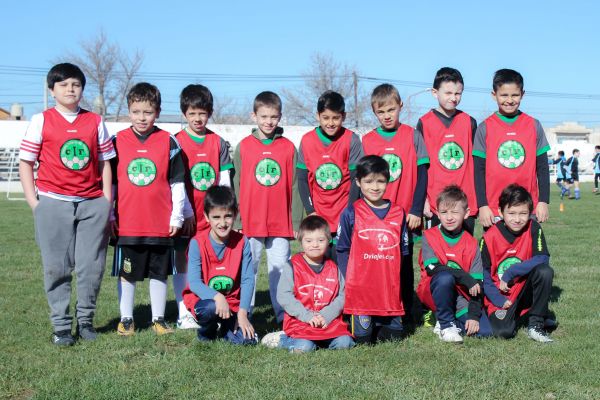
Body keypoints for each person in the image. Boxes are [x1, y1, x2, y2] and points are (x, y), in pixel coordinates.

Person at [19, 63, 114, 346]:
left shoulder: (95, 121)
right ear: (52, 90)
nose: (70, 89)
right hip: (53, 202)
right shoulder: (41, 120)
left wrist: (106, 200)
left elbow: (104, 162)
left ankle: (85, 321)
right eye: (63, 85)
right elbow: (26, 163)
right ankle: (61, 327)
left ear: (82, 89)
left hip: (91, 203)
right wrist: (34, 202)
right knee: (56, 267)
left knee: (91, 267)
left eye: (75, 84)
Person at [111, 82, 190, 336]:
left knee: (160, 272)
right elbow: (110, 183)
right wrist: (110, 214)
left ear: (157, 111)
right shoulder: (117, 142)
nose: (141, 117)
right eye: (136, 111)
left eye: (147, 112)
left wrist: (177, 215)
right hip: (128, 223)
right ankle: (126, 318)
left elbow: (177, 183)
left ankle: (158, 318)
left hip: (160, 223)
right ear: (128, 111)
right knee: (128, 273)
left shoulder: (168, 142)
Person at [233, 91, 303, 323]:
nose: (268, 121)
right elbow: (237, 185)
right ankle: (246, 314)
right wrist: (238, 220)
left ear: (280, 116)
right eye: (263, 116)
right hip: (251, 221)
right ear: (254, 116)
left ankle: (283, 315)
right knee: (248, 269)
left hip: (280, 222)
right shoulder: (243, 147)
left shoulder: (288, 148)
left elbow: (295, 186)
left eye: (273, 116)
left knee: (281, 270)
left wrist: (295, 222)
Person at [362, 83, 429, 323]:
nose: (387, 116)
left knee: (404, 261)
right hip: (378, 215)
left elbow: (423, 173)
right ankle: (381, 307)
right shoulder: (368, 140)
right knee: (379, 263)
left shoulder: (413, 135)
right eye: (381, 112)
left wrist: (416, 208)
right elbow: (364, 181)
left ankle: (406, 309)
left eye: (391, 109)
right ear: (374, 112)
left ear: (400, 106)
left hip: (406, 214)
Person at [173, 84, 234, 329]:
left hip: (211, 218)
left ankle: (206, 309)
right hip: (187, 216)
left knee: (207, 264)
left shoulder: (218, 143)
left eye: (203, 113)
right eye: (192, 113)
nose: (198, 118)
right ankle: (182, 311)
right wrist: (183, 213)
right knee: (182, 262)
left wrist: (222, 214)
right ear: (184, 113)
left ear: (209, 113)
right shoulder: (176, 142)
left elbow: (224, 182)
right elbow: (175, 182)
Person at [337, 155, 409, 344]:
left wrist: (399, 283)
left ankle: (385, 320)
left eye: (380, 181)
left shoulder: (398, 212)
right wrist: (349, 279)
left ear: (388, 181)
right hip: (360, 291)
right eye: (368, 181)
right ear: (358, 182)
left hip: (388, 290)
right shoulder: (351, 212)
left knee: (393, 339)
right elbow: (342, 249)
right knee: (363, 340)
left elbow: (404, 252)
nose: (375, 187)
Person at [261, 215, 354, 352]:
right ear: (300, 241)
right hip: (301, 322)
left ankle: (318, 342)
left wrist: (327, 315)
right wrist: (306, 315)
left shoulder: (333, 268)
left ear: (329, 240)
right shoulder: (292, 266)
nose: (315, 245)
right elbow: (284, 296)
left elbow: (343, 296)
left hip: (327, 322)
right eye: (309, 241)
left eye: (320, 240)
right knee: (304, 347)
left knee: (345, 342)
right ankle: (282, 339)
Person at [473, 69, 551, 228]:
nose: (509, 100)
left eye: (514, 95)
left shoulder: (533, 125)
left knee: (527, 252)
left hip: (527, 209)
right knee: (494, 252)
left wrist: (543, 201)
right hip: (494, 210)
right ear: (494, 95)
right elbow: (478, 171)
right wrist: (482, 205)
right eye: (504, 95)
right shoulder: (484, 128)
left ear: (522, 94)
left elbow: (542, 167)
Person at [416, 185, 492, 343]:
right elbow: (432, 268)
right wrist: (464, 276)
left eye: (455, 212)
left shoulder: (471, 243)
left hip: (459, 296)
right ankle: (446, 324)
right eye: (444, 212)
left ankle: (443, 320)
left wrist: (473, 315)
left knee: (485, 331)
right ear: (437, 213)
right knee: (444, 277)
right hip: (433, 290)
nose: (449, 217)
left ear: (467, 213)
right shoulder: (429, 236)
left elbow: (477, 283)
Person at [481, 184, 556, 343]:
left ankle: (536, 323)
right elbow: (484, 277)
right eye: (511, 213)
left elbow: (543, 258)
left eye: (523, 213)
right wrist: (498, 300)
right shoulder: (489, 237)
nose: (517, 219)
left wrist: (511, 272)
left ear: (530, 213)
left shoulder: (534, 227)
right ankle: (525, 314)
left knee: (545, 271)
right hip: (502, 295)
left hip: (523, 288)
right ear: (501, 212)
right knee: (504, 332)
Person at [182, 186, 257, 344]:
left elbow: (248, 280)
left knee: (247, 341)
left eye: (228, 216)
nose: (222, 223)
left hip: (233, 304)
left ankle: (225, 330)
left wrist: (243, 313)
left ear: (235, 214)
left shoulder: (242, 242)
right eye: (216, 217)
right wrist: (218, 296)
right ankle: (206, 332)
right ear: (207, 217)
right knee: (209, 308)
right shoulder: (197, 243)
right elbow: (194, 283)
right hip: (206, 302)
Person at [297, 90, 363, 262]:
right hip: (319, 215)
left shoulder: (352, 140)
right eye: (326, 118)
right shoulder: (307, 140)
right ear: (318, 116)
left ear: (344, 116)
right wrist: (311, 211)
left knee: (343, 264)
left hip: (343, 213)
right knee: (321, 266)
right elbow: (303, 180)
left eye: (336, 118)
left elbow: (357, 181)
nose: (331, 123)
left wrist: (349, 212)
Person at [417, 68, 477, 235]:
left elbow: (476, 165)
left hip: (465, 203)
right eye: (448, 92)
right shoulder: (424, 123)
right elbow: (420, 167)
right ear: (435, 93)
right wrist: (424, 201)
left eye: (458, 93)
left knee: (464, 255)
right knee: (436, 254)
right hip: (436, 204)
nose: (454, 98)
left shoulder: (469, 122)